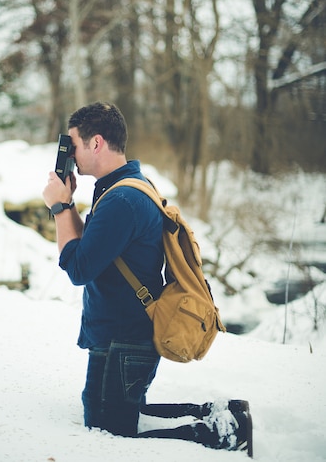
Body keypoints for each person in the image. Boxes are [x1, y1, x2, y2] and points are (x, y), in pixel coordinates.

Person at [42, 102, 252, 455]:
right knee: (114, 414)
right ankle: (219, 414)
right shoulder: (122, 187)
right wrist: (69, 203)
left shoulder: (121, 200)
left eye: (74, 145)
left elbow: (78, 269)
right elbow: (87, 251)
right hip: (121, 334)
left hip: (124, 338)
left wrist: (59, 208)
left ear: (96, 143)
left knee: (111, 432)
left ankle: (226, 431)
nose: (71, 155)